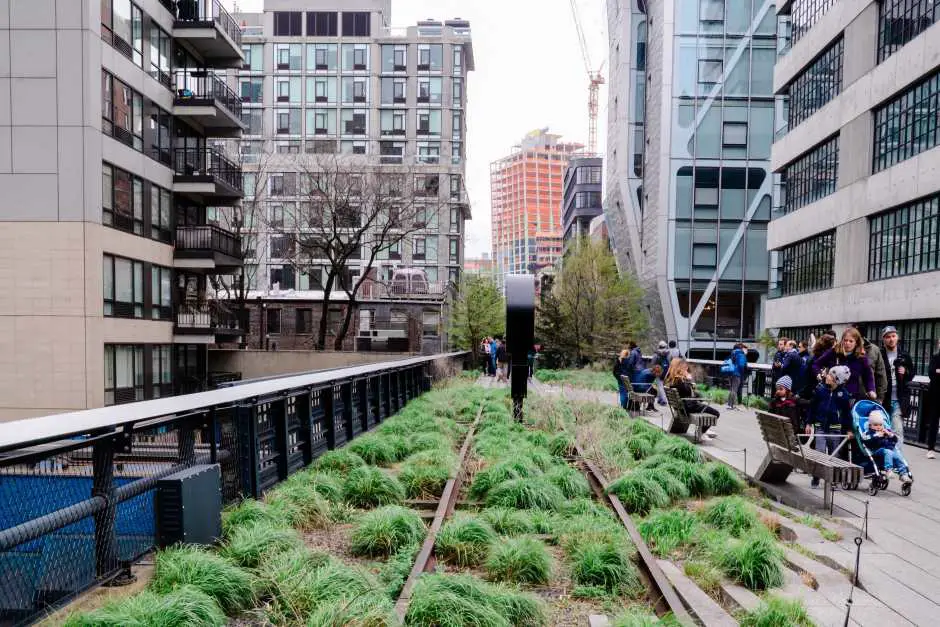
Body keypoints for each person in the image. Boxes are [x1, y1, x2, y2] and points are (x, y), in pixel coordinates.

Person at [807, 365, 854, 488]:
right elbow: (812, 407)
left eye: (830, 375)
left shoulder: (843, 395)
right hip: (820, 426)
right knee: (820, 452)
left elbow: (847, 414)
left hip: (835, 428)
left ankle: (834, 480)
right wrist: (808, 423)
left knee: (834, 453)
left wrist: (849, 429)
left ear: (836, 379)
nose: (826, 376)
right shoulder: (820, 390)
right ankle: (816, 477)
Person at [812, 328, 877, 402]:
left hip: (851, 396)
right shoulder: (834, 352)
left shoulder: (861, 357)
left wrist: (871, 390)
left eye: (851, 341)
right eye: (845, 340)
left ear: (856, 343)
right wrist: (819, 374)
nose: (847, 343)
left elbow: (868, 376)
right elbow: (816, 364)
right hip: (832, 395)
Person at [665, 358, 719, 440]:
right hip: (689, 407)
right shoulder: (679, 381)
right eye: (685, 367)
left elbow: (687, 393)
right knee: (716, 413)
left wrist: (688, 382)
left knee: (705, 405)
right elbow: (688, 393)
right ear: (679, 368)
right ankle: (702, 432)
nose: (687, 369)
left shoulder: (673, 380)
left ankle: (704, 429)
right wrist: (688, 379)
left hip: (682, 407)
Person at [879, 326, 914, 449]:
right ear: (883, 339)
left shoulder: (904, 355)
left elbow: (912, 374)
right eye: (888, 337)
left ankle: (898, 459)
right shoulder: (880, 354)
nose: (891, 339)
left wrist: (906, 371)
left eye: (893, 336)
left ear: (897, 337)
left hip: (899, 398)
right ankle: (886, 459)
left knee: (897, 429)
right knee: (882, 430)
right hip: (883, 399)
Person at [862, 410, 912, 484]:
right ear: (870, 425)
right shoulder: (869, 433)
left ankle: (903, 474)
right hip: (876, 450)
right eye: (875, 425)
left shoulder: (886, 431)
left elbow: (895, 440)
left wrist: (890, 434)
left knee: (899, 456)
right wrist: (876, 435)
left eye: (880, 425)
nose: (878, 427)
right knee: (888, 452)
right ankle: (888, 469)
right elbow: (865, 439)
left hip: (888, 450)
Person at [851, 324, 888, 405]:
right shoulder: (845, 349)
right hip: (848, 397)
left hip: (868, 398)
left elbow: (881, 375)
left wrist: (880, 398)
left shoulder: (874, 350)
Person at [924, 340, 940, 459]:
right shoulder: (936, 358)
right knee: (934, 422)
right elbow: (931, 372)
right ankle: (930, 449)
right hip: (936, 395)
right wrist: (936, 371)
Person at [726, 343, 748, 410]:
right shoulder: (741, 354)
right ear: (742, 348)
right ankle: (731, 405)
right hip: (737, 374)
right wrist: (742, 371)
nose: (747, 351)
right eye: (746, 349)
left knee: (732, 389)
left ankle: (729, 404)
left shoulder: (733, 353)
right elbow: (741, 365)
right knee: (734, 390)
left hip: (731, 373)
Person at [654, 341, 671, 405]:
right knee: (663, 386)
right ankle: (660, 399)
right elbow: (670, 362)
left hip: (659, 371)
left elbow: (653, 362)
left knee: (660, 386)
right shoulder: (668, 353)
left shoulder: (656, 353)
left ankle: (664, 400)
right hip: (666, 371)